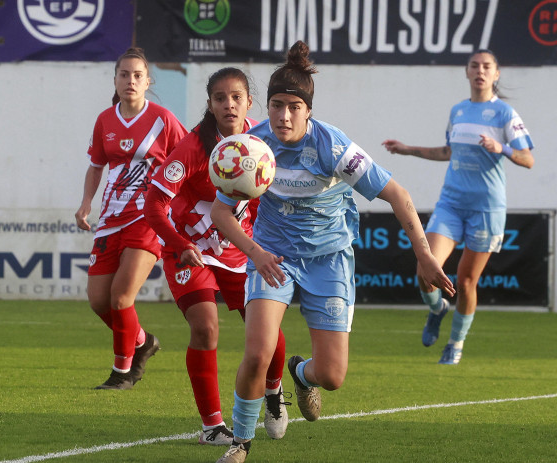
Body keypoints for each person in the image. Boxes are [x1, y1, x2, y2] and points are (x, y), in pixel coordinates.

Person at [211, 41, 455, 463]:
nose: (283, 115)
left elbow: (397, 194)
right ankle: (240, 444)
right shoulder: (250, 147)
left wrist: (425, 255)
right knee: (256, 352)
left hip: (329, 259)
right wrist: (255, 252)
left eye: (293, 106)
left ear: (308, 110)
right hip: (274, 258)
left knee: (333, 376)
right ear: (265, 106)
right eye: (275, 105)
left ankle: (301, 376)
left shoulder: (333, 147)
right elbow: (220, 211)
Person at [143, 68, 289, 445]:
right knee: (206, 328)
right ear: (209, 104)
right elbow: (155, 203)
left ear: (248, 103)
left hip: (240, 251)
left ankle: (273, 393)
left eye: (236, 97)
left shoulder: (262, 142)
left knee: (267, 331)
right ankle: (212, 427)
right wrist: (178, 244)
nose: (229, 104)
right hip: (191, 252)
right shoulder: (193, 147)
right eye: (220, 98)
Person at [382, 49, 535, 365]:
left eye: (487, 66)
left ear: (496, 74)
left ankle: (456, 343)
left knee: (466, 282)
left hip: (485, 208)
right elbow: (448, 152)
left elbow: (528, 159)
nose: (480, 71)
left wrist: (502, 147)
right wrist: (407, 149)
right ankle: (437, 308)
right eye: (475, 65)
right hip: (451, 203)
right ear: (467, 72)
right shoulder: (458, 111)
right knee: (426, 270)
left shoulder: (506, 114)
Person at [75, 47, 188, 389]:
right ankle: (143, 341)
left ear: (148, 81)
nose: (131, 81)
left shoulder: (163, 119)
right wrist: (86, 204)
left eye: (138, 75)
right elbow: (96, 167)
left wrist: (181, 209)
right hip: (111, 218)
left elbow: (188, 159)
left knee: (121, 298)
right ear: (115, 79)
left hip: (147, 219)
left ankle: (123, 372)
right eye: (124, 74)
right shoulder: (105, 120)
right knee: (99, 301)